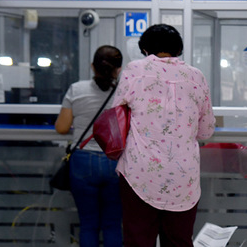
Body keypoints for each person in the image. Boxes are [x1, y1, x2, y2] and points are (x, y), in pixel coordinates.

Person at [112, 24, 216, 247]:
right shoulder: (196, 76)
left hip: (139, 172)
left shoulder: (134, 70)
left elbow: (116, 115)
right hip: (183, 177)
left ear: (144, 50)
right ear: (178, 50)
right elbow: (206, 130)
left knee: (138, 240)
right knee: (178, 240)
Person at [55, 45, 123, 247]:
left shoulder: (76, 89)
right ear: (118, 69)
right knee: (112, 225)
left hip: (82, 161)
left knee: (88, 225)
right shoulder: (124, 93)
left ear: (92, 66)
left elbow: (62, 127)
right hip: (114, 162)